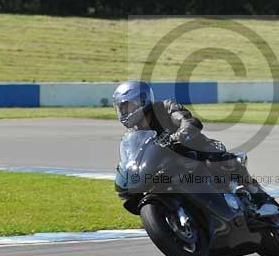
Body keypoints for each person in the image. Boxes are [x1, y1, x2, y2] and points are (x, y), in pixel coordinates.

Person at [111, 80, 270, 204]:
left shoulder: (165, 107)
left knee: (221, 161)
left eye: (127, 107)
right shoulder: (133, 135)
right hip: (168, 166)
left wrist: (177, 136)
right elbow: (134, 157)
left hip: (195, 151)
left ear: (142, 101)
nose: (124, 112)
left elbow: (189, 122)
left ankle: (259, 197)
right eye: (120, 108)